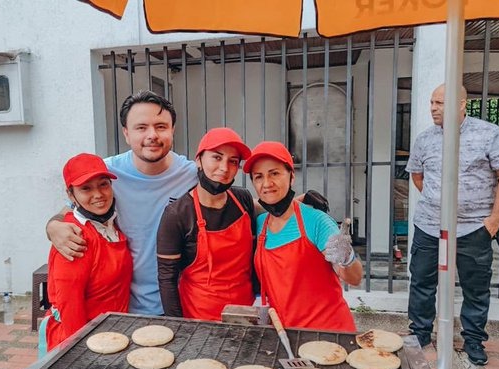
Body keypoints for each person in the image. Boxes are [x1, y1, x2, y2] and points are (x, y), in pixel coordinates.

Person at [46, 90, 328, 316]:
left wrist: (299, 202)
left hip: (184, 302)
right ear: (126, 133)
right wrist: (53, 227)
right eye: (141, 127)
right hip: (128, 306)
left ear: (172, 130)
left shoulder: (191, 172)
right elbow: (76, 209)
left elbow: (243, 204)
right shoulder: (108, 174)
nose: (152, 135)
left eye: (160, 126)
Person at [406, 83, 499, 365]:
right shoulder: (425, 139)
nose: (433, 108)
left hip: (474, 228)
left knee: (475, 287)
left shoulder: (489, 134)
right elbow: (417, 176)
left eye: (440, 103)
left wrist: (494, 220)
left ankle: (474, 340)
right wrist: (437, 202)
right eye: (432, 102)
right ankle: (419, 335)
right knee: (421, 283)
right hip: (429, 227)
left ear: (462, 104)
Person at [245, 141, 362, 332]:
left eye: (274, 173)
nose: (267, 183)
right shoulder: (260, 225)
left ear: (292, 176)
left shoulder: (317, 221)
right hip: (283, 333)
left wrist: (346, 258)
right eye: (259, 177)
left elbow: (355, 278)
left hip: (328, 333)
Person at [38, 153, 133, 357]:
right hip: (82, 340)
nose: (98, 194)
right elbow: (69, 306)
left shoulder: (109, 225)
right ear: (71, 195)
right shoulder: (73, 236)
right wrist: (81, 355)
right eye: (86, 188)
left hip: (112, 334)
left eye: (103, 184)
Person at [157, 127, 255, 320]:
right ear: (199, 160)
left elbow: (273, 212)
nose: (224, 168)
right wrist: (179, 327)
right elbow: (167, 280)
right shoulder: (177, 214)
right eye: (217, 158)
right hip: (199, 318)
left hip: (244, 312)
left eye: (233, 161)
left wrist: (300, 201)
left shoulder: (243, 200)